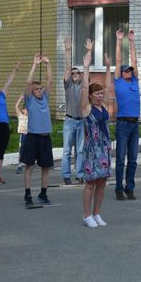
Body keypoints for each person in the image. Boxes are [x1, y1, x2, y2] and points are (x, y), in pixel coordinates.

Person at [79, 40, 112, 227]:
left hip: (104, 148)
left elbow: (107, 87)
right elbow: (84, 88)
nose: (100, 95)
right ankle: (86, 215)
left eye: (101, 94)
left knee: (102, 183)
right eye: (96, 93)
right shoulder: (86, 108)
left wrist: (108, 67)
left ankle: (97, 213)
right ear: (91, 96)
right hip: (92, 150)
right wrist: (86, 67)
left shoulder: (104, 107)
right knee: (91, 183)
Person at [20, 52, 54, 207]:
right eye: (37, 89)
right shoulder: (29, 100)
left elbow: (50, 80)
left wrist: (47, 64)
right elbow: (28, 82)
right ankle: (28, 194)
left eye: (41, 88)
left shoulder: (45, 98)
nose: (40, 90)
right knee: (29, 166)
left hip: (46, 138)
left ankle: (43, 193)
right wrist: (35, 64)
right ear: (32, 92)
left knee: (45, 167)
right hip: (33, 137)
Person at [113, 29, 140, 201]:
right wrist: (119, 40)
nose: (129, 72)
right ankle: (118, 188)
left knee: (133, 160)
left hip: (135, 124)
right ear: (121, 74)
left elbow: (135, 61)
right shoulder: (119, 82)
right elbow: (118, 60)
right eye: (126, 71)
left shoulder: (135, 81)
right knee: (121, 159)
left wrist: (131, 41)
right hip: (122, 124)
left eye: (130, 71)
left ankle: (130, 188)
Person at [61, 37, 86, 185]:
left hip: (81, 121)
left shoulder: (84, 86)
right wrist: (68, 50)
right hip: (70, 121)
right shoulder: (68, 85)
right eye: (73, 73)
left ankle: (80, 174)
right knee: (66, 150)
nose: (75, 74)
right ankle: (66, 175)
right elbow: (67, 67)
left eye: (77, 73)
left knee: (81, 150)